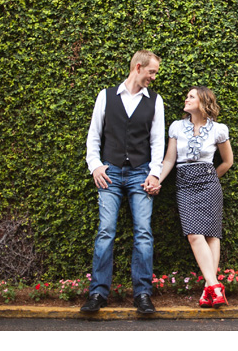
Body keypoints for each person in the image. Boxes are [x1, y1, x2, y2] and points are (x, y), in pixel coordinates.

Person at [81, 50, 164, 314]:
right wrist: (95, 166)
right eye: (152, 72)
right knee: (105, 232)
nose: (154, 77)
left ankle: (142, 295)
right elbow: (94, 135)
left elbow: (157, 142)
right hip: (111, 173)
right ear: (138, 67)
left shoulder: (155, 101)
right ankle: (97, 293)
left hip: (141, 173)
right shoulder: (106, 96)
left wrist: (154, 173)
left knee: (144, 233)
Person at [153, 86, 234, 308]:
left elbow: (227, 161)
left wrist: (211, 177)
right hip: (185, 182)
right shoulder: (177, 127)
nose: (186, 99)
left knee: (211, 235)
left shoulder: (219, 129)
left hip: (209, 182)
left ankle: (209, 291)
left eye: (191, 96)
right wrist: (157, 180)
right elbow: (169, 160)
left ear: (203, 102)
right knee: (194, 234)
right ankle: (215, 286)